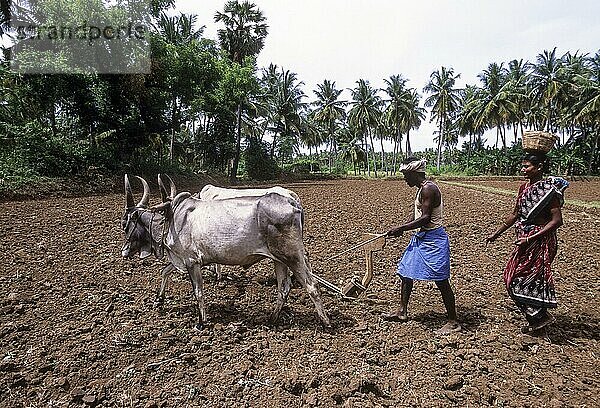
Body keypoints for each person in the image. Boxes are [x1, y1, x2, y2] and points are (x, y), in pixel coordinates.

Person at [486, 152, 568, 334]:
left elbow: (557, 220)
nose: (523, 170)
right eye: (523, 166)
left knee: (519, 279)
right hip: (523, 240)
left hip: (540, 241)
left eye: (527, 166)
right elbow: (515, 214)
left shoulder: (549, 190)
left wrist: (531, 237)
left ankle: (539, 319)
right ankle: (538, 319)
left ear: (538, 167)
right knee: (512, 277)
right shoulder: (523, 188)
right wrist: (496, 233)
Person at [384, 157, 461, 335]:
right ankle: (402, 312)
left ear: (414, 173)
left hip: (434, 240)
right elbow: (418, 215)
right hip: (421, 238)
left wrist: (401, 228)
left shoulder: (428, 189)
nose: (404, 179)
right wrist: (402, 229)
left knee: (441, 280)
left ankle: (453, 321)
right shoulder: (421, 189)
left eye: (405, 175)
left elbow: (426, 218)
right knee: (405, 273)